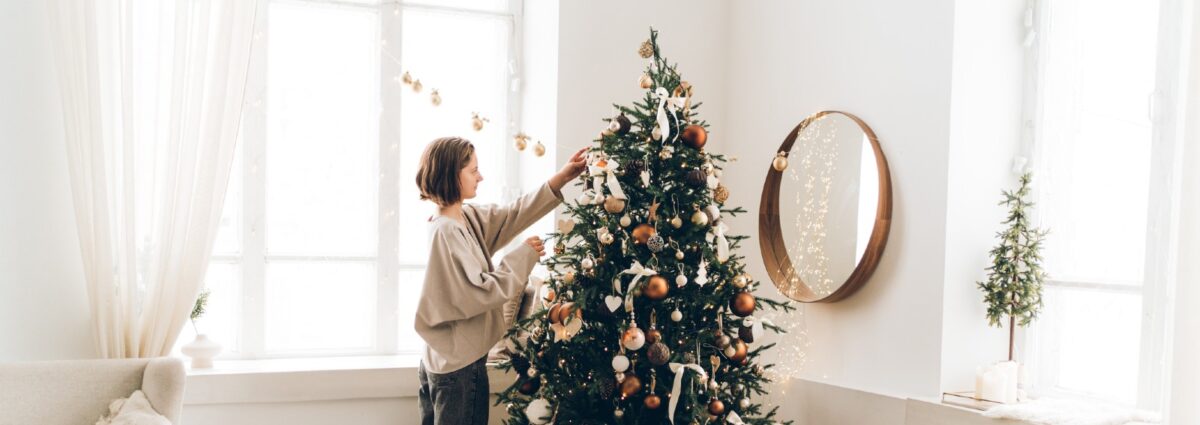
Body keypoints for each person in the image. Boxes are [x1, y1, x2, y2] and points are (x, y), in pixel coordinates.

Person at [413, 136, 587, 425]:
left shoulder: (463, 218)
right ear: (451, 174)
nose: (480, 177)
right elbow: (479, 293)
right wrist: (523, 256)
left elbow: (512, 215)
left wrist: (562, 178)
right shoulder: (446, 232)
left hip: (447, 361)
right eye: (472, 171)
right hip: (458, 368)